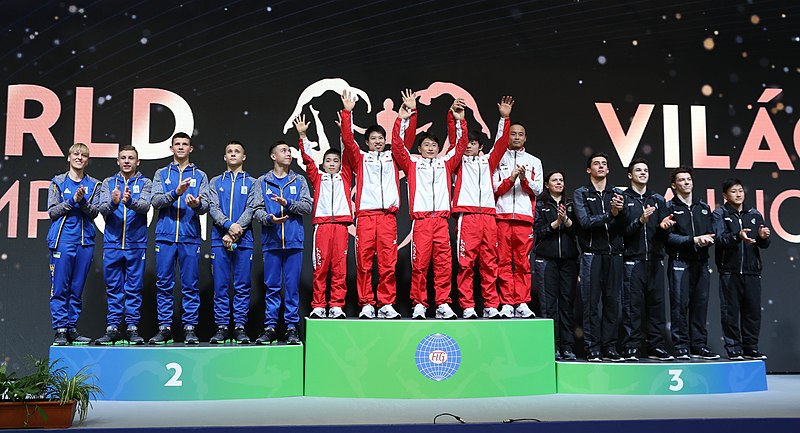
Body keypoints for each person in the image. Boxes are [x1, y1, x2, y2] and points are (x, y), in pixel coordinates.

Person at [391, 90, 468, 319]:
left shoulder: (446, 162)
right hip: (422, 222)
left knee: (444, 265)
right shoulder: (412, 163)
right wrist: (407, 114)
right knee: (420, 265)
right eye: (426, 144)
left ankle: (443, 303)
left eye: (434, 144)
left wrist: (458, 119)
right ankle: (419, 304)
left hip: (441, 222)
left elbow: (461, 144)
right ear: (420, 148)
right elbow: (397, 146)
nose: (431, 147)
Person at [340, 89, 414, 319]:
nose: (378, 141)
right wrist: (347, 113)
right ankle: (366, 304)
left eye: (381, 138)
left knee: (388, 264)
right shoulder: (360, 158)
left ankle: (385, 304)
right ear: (367, 142)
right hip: (365, 217)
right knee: (363, 263)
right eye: (373, 138)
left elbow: (405, 142)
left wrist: (406, 116)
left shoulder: (394, 157)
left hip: (387, 218)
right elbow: (347, 140)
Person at [449, 96, 513, 319]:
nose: (468, 147)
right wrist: (459, 121)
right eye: (466, 144)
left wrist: (504, 119)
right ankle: (467, 306)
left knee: (490, 263)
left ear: (480, 147)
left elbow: (502, 143)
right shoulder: (457, 161)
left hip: (488, 217)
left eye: (473, 144)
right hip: (467, 217)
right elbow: (456, 140)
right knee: (466, 264)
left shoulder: (488, 161)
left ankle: (490, 305)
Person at [149, 132, 210, 345]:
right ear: (171, 148)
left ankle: (190, 328)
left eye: (185, 144)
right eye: (177, 144)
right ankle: (164, 327)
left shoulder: (200, 175)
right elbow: (155, 201)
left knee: (190, 285)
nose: (181, 147)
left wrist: (196, 205)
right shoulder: (161, 173)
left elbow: (206, 206)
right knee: (164, 284)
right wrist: (176, 192)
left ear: (191, 149)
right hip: (165, 236)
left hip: (190, 236)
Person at [250, 141, 313, 344]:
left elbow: (307, 207)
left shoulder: (299, 180)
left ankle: (291, 328)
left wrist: (288, 204)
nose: (288, 153)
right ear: (273, 156)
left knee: (292, 287)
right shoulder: (262, 181)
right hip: (272, 242)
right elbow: (256, 210)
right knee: (272, 287)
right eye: (283, 150)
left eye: (289, 151)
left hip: (294, 241)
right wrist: (270, 219)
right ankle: (269, 328)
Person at [294, 114, 353, 319]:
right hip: (322, 227)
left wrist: (343, 131)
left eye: (335, 161)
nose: (331, 163)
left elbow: (348, 152)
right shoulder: (317, 178)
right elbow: (308, 159)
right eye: (328, 161)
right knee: (320, 268)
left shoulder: (345, 176)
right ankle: (318, 304)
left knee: (339, 268)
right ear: (323, 163)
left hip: (341, 227)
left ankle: (336, 304)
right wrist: (303, 136)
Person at [95, 145, 152, 345]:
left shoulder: (145, 182)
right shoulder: (108, 183)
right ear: (117, 161)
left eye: (131, 158)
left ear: (138, 162)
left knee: (134, 287)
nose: (127, 161)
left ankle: (132, 327)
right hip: (112, 243)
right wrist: (113, 202)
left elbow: (145, 206)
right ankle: (112, 328)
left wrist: (129, 202)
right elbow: (102, 209)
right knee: (113, 287)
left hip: (136, 244)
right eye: (123, 158)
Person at [573, 152, 626, 362]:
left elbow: (624, 224)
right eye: (597, 164)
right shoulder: (581, 193)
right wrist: (610, 215)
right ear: (589, 170)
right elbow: (585, 222)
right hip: (591, 255)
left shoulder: (617, 193)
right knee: (591, 304)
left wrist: (619, 214)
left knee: (613, 303)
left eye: (604, 164)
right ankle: (593, 348)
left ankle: (610, 348)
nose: (601, 166)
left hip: (614, 254)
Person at [620, 159, 675, 361]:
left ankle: (656, 346)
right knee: (632, 306)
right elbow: (622, 232)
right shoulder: (624, 198)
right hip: (632, 260)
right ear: (630, 175)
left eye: (646, 170)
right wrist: (640, 220)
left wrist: (664, 227)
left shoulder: (658, 199)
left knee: (657, 306)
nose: (643, 173)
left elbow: (664, 231)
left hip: (655, 260)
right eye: (638, 170)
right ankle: (631, 347)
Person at [47, 143, 101, 346]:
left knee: (77, 288)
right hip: (62, 241)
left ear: (87, 160)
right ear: (68, 157)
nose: (79, 157)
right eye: (76, 154)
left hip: (85, 242)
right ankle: (60, 329)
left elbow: (95, 212)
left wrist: (83, 201)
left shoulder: (95, 185)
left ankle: (71, 328)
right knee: (60, 287)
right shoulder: (58, 182)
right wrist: (72, 200)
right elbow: (52, 212)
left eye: (84, 155)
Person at [665, 167, 719, 360]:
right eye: (681, 180)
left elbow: (712, 232)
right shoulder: (669, 207)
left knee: (700, 305)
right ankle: (680, 346)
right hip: (680, 263)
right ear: (674, 185)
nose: (686, 182)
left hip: (702, 263)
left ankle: (699, 345)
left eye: (688, 179)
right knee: (679, 305)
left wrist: (707, 239)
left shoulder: (703, 207)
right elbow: (668, 238)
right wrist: (693, 240)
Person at [712, 179, 771, 360]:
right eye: (733, 191)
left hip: (752, 271)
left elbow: (764, 244)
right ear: (725, 196)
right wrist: (738, 236)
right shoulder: (719, 214)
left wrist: (762, 237)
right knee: (730, 312)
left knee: (752, 311)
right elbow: (720, 239)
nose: (738, 194)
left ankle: (751, 347)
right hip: (730, 271)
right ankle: (734, 348)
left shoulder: (754, 214)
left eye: (740, 191)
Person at [206, 141, 256, 344]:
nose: (233, 154)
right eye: (229, 152)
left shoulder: (253, 182)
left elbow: (252, 208)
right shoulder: (215, 181)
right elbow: (212, 207)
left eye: (237, 151)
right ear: (224, 157)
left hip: (244, 241)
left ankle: (240, 326)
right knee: (221, 286)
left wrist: (234, 232)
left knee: (242, 286)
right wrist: (227, 225)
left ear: (244, 157)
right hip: (220, 240)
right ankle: (222, 326)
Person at [492, 119, 543, 318]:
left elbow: (538, 189)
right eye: (513, 133)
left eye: (520, 134)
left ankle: (521, 302)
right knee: (503, 261)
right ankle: (506, 302)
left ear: (525, 137)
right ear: (507, 135)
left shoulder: (534, 161)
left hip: (523, 218)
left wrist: (523, 178)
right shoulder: (497, 159)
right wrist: (511, 178)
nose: (516, 137)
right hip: (502, 217)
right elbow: (495, 188)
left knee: (523, 263)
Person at [533, 171, 579, 360]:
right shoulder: (540, 205)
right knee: (548, 306)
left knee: (566, 304)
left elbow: (579, 231)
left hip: (568, 261)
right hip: (546, 260)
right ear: (547, 184)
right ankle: (552, 346)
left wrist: (566, 220)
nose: (559, 183)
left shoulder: (570, 204)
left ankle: (567, 347)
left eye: (561, 180)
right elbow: (538, 232)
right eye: (555, 180)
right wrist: (556, 222)